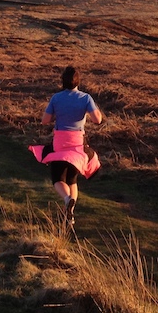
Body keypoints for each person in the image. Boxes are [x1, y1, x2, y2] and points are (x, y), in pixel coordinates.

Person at [29, 66, 103, 226]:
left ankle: (67, 199)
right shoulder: (86, 98)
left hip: (60, 143)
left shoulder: (56, 98)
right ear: (78, 81)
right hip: (77, 143)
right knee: (72, 179)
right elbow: (98, 120)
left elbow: (45, 120)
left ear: (62, 81)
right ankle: (70, 212)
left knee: (57, 178)